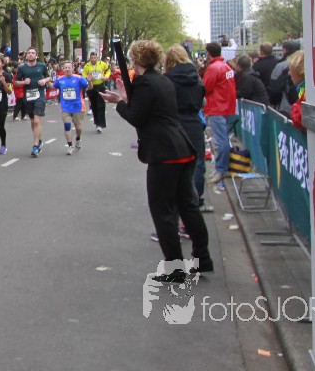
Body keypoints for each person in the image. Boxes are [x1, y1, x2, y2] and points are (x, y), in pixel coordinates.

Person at [101, 40, 212, 283]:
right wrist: (126, 97)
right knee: (188, 206)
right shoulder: (162, 80)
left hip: (164, 153)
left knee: (163, 212)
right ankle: (202, 258)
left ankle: (175, 268)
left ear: (136, 59)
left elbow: (136, 117)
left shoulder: (145, 83)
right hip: (182, 147)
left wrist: (119, 102)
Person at [164, 44, 211, 213]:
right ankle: (195, 204)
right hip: (194, 124)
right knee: (196, 166)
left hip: (174, 126)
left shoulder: (167, 80)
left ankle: (176, 211)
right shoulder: (196, 78)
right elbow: (203, 102)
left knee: (174, 170)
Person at [202, 42, 237, 192]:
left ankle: (221, 170)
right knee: (223, 140)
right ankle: (222, 168)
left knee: (221, 141)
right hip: (226, 107)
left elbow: (205, 87)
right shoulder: (226, 67)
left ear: (208, 53)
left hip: (217, 107)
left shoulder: (214, 68)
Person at [14, 48, 51, 156]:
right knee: (32, 122)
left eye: (33, 53)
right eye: (29, 53)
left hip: (40, 96)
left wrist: (44, 80)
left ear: (36, 55)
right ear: (26, 56)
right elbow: (16, 82)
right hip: (28, 97)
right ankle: (39, 140)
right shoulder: (22, 68)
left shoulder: (42, 66)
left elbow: (49, 77)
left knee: (36, 121)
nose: (30, 55)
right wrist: (24, 82)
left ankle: (35, 146)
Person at [52, 60, 89, 155]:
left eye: (69, 67)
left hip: (77, 106)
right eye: (65, 68)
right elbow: (53, 86)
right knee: (67, 124)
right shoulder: (60, 79)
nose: (67, 69)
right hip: (66, 107)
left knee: (78, 127)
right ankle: (70, 146)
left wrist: (90, 81)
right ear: (63, 69)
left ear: (73, 69)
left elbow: (89, 87)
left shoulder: (79, 78)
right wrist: (46, 81)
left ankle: (78, 139)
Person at [81, 51, 112, 133]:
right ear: (89, 58)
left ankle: (100, 124)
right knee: (94, 106)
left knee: (100, 105)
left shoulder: (102, 64)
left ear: (97, 58)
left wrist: (106, 76)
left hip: (100, 86)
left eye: (94, 58)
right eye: (92, 58)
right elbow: (83, 75)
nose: (93, 59)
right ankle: (97, 123)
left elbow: (108, 70)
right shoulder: (87, 66)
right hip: (91, 87)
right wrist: (88, 78)